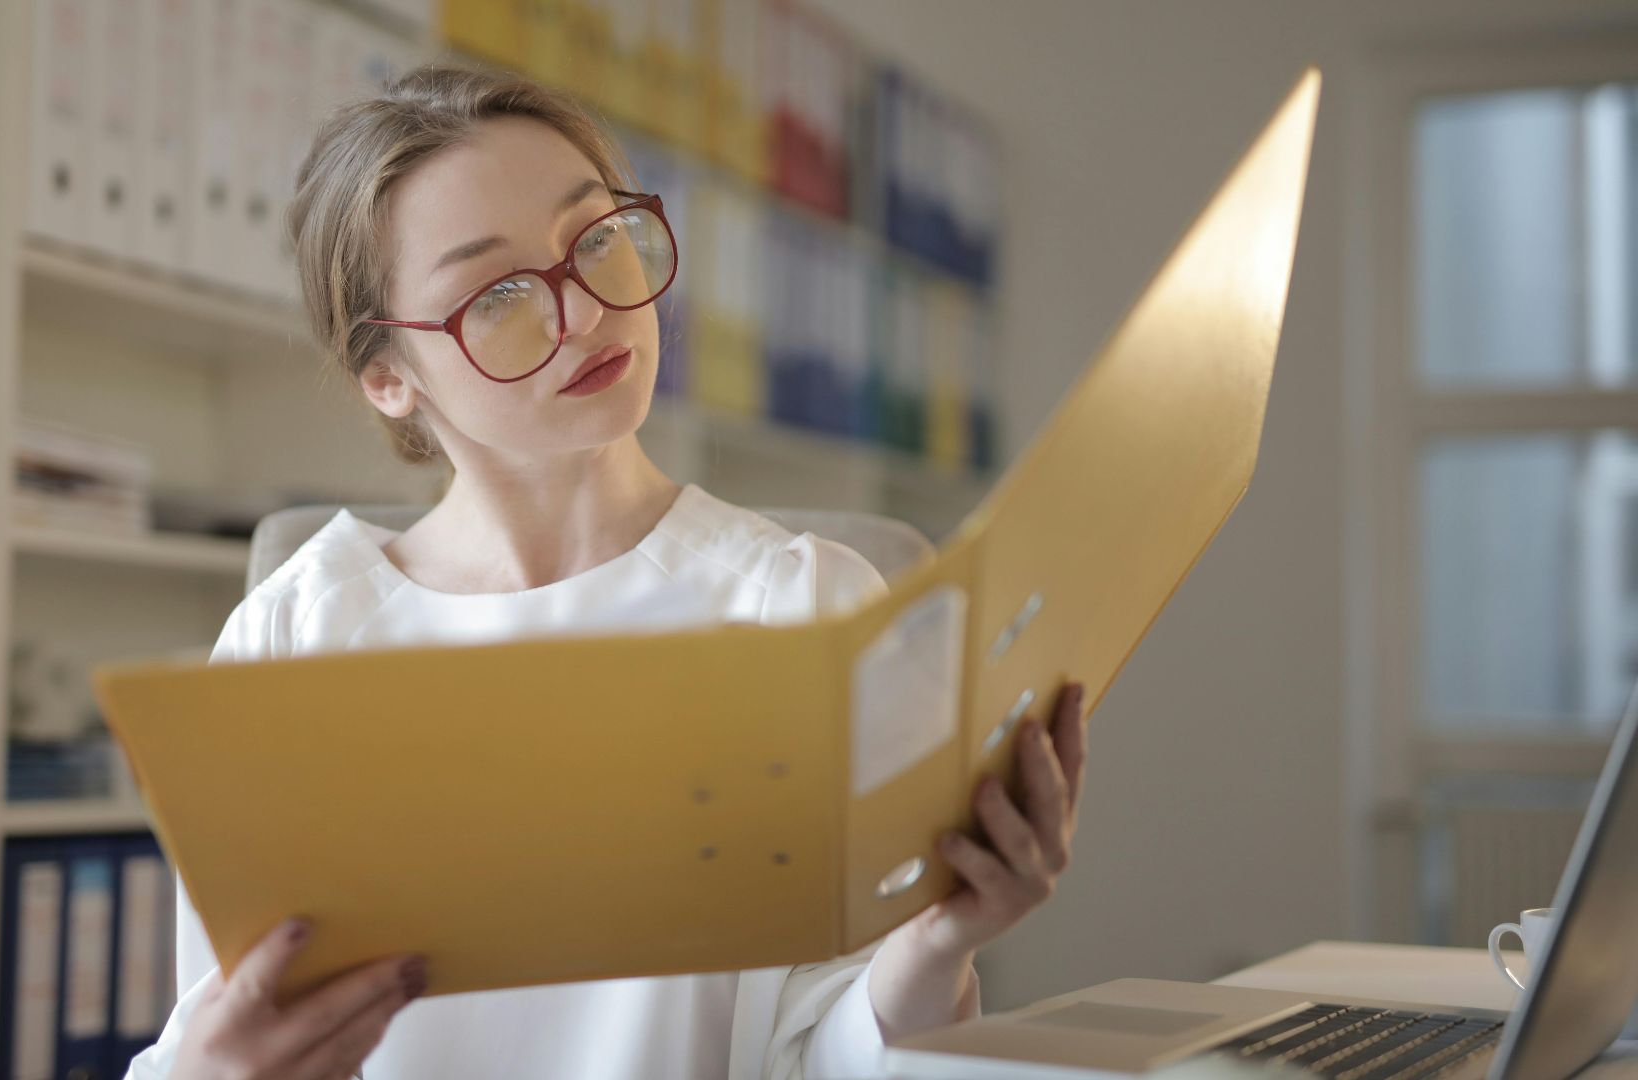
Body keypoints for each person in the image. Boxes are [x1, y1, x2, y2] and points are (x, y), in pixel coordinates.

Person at [126, 62, 1089, 1080]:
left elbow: (831, 1059)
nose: (582, 311)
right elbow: (219, 1040)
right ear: (386, 375)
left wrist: (941, 943)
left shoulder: (806, 607)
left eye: (595, 240)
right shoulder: (291, 640)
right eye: (496, 293)